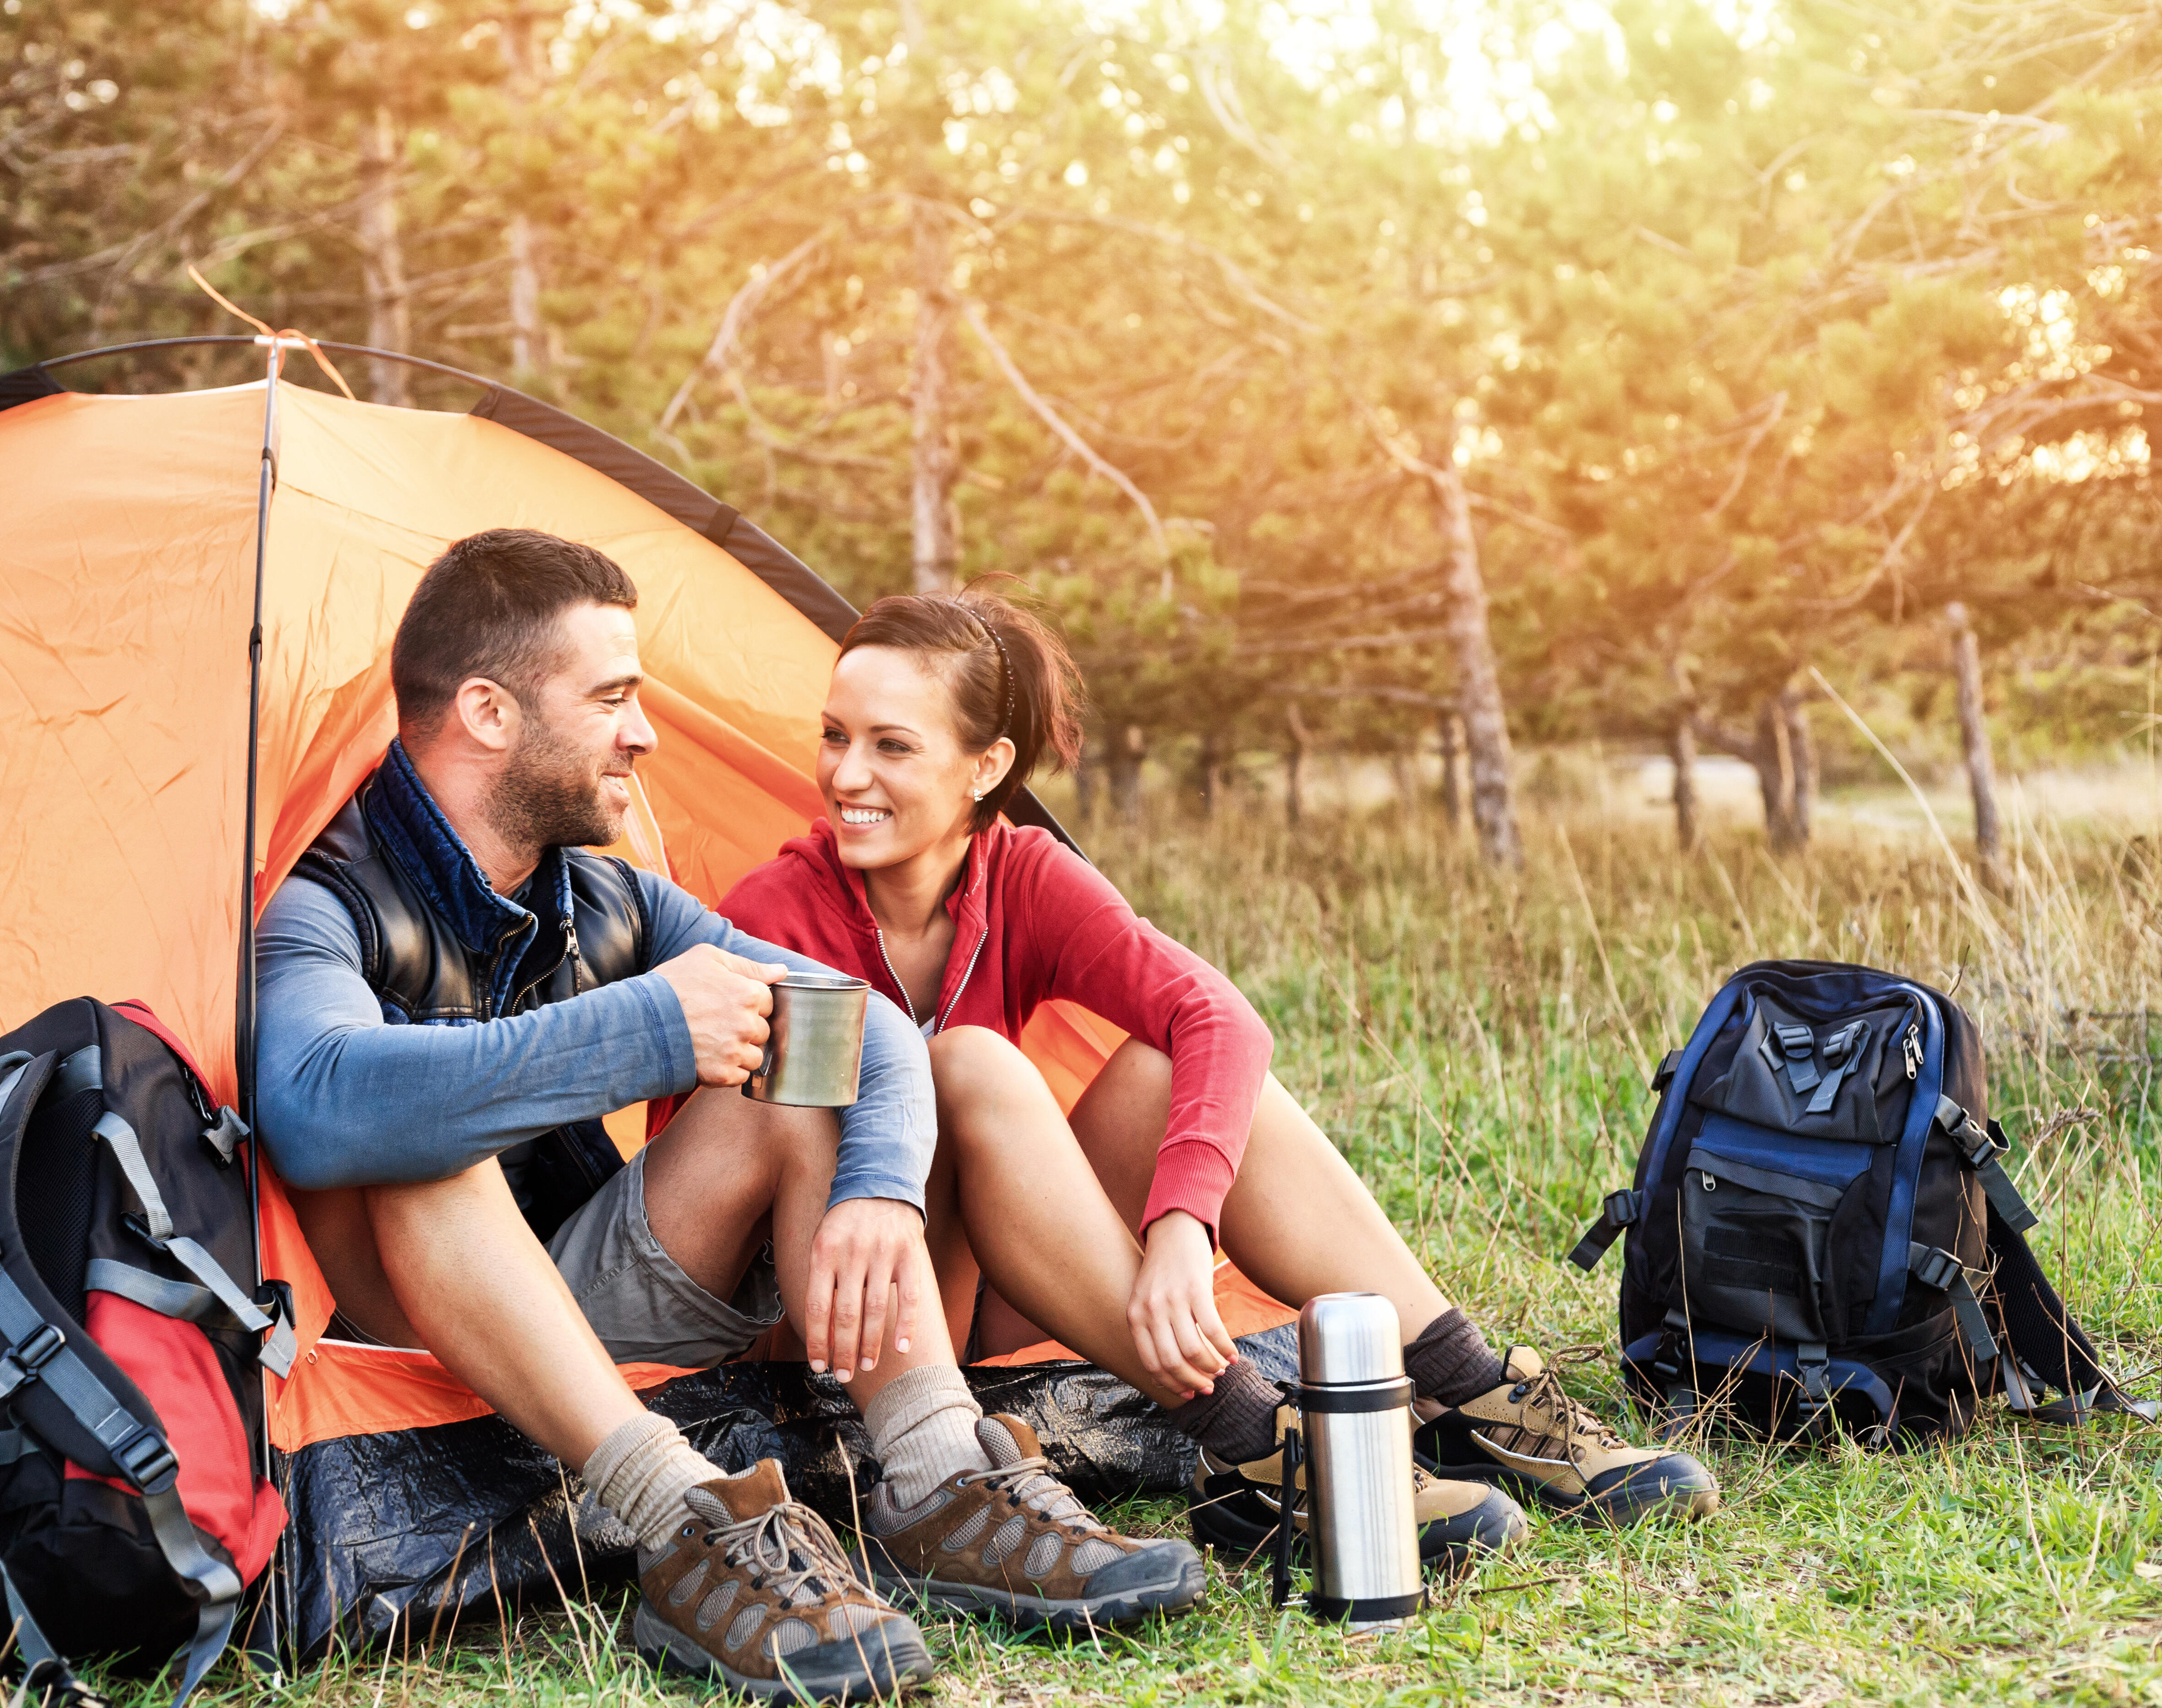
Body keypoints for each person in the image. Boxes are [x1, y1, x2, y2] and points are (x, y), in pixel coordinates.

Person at [252, 532, 1204, 1707]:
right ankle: (682, 1519)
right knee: (416, 1139)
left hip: (579, 1287)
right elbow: (312, 1105)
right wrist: (649, 1029)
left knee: (797, 1062)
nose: (644, 732)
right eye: (611, 698)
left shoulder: (600, 893)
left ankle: (934, 1476)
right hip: (417, 1346)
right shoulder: (322, 902)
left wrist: (877, 1191)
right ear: (489, 712)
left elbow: (869, 1032)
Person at [714, 587, 1722, 1572]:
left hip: (991, 1295)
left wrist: (1181, 1225)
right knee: (969, 1062)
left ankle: (1464, 1389)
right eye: (835, 735)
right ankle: (1252, 1440)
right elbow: (740, 1179)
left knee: (1171, 1066)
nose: (846, 772)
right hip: (843, 1307)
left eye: (891, 744)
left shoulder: (1017, 873)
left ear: (987, 766)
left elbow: (1219, 1016)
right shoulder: (776, 910)